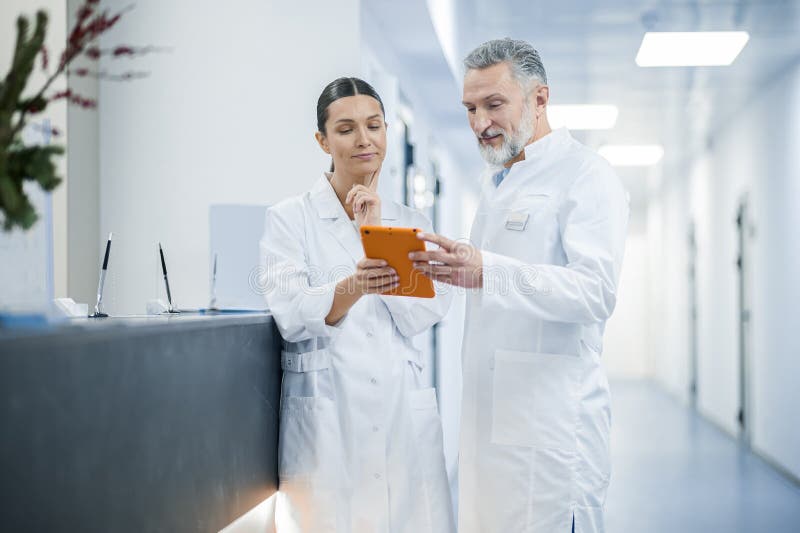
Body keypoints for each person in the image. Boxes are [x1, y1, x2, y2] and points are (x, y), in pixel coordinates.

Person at [411, 38, 629, 533]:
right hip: (492, 429)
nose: (479, 123)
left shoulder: (586, 176)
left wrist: (488, 270)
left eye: (494, 105)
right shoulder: (499, 184)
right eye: (470, 108)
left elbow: (596, 292)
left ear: (539, 99)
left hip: (549, 437)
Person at [259, 77, 455, 533]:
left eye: (374, 125)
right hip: (329, 421)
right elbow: (291, 313)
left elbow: (426, 313)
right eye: (346, 129)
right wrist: (357, 282)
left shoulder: (411, 222)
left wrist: (376, 235)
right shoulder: (290, 219)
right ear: (322, 140)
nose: (364, 140)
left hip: (400, 417)